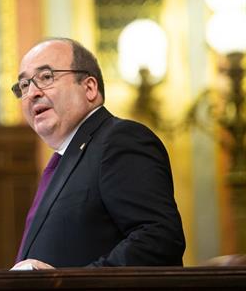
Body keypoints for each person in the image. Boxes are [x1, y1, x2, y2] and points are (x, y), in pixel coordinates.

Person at [12, 38, 185, 269]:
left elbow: (159, 239)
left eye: (45, 77)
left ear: (89, 88)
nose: (32, 93)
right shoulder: (67, 158)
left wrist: (68, 284)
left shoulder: (120, 140)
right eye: (24, 85)